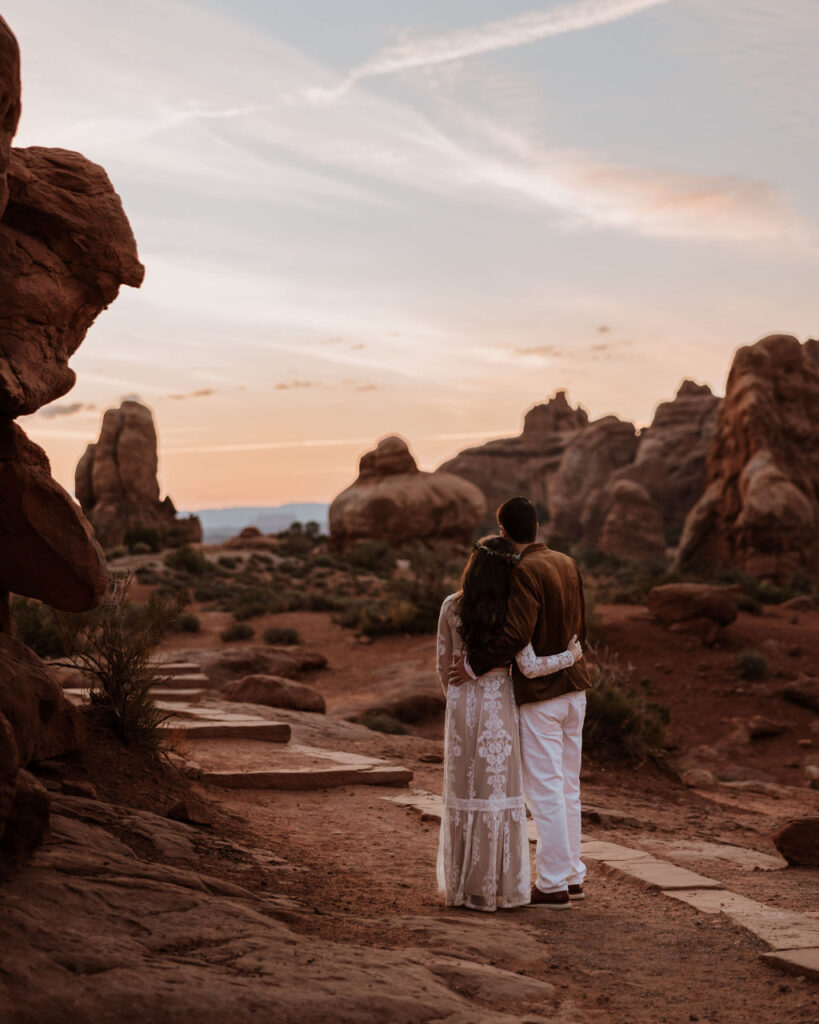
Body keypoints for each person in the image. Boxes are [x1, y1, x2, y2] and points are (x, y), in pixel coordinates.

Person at [449, 497, 593, 910]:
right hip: (574, 689)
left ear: (504, 530)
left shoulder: (524, 569)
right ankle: (572, 875)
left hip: (541, 697)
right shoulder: (566, 562)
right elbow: (579, 626)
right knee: (568, 787)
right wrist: (570, 657)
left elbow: (515, 635)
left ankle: (551, 885)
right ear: (536, 525)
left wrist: (474, 666)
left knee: (545, 789)